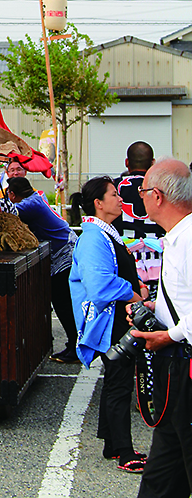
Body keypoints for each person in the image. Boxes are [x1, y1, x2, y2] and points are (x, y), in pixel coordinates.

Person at [69, 177, 148, 473]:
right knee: (118, 384)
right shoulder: (92, 237)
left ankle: (113, 445)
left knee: (117, 381)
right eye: (114, 195)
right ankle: (124, 452)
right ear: (99, 204)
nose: (120, 199)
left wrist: (134, 285)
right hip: (110, 320)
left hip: (115, 318)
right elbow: (99, 284)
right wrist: (134, 292)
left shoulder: (104, 232)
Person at [129, 159, 192, 498]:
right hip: (177, 368)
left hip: (186, 364)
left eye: (142, 191)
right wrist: (159, 309)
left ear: (156, 196)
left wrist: (169, 334)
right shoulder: (179, 236)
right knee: (163, 472)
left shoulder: (188, 239)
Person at [7, 171, 78, 363]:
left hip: (64, 253)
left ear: (12, 194)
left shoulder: (30, 204)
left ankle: (75, 347)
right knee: (63, 303)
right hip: (63, 249)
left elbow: (5, 213)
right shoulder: (37, 197)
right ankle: (74, 345)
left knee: (63, 303)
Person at [114, 141, 163, 240]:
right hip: (156, 249)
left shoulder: (113, 187)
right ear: (153, 163)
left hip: (123, 248)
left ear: (127, 162)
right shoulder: (163, 187)